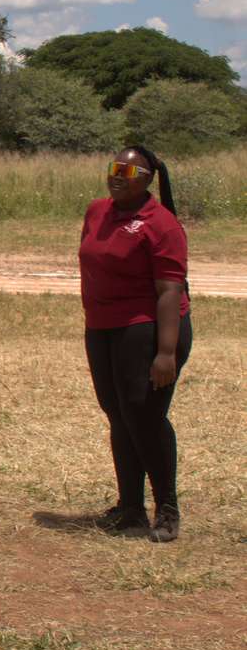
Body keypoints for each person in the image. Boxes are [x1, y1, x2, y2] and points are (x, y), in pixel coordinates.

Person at [79, 145, 192, 543]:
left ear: (147, 179)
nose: (117, 176)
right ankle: (130, 508)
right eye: (114, 168)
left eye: (127, 172)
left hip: (149, 329)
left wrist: (166, 353)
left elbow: (169, 290)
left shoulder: (161, 224)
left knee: (144, 416)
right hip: (103, 327)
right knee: (118, 413)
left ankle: (167, 510)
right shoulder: (97, 212)